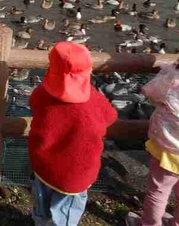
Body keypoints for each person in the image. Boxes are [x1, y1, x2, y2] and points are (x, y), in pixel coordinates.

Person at [29, 41, 117, 226]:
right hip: (76, 174)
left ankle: (39, 222)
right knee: (64, 215)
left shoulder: (41, 93)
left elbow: (34, 102)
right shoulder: (93, 99)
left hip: (43, 164)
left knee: (41, 203)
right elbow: (111, 116)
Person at [126, 40, 179, 226]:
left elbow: (151, 92)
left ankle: (149, 223)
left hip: (168, 148)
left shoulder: (174, 78)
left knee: (159, 190)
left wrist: (170, 69)